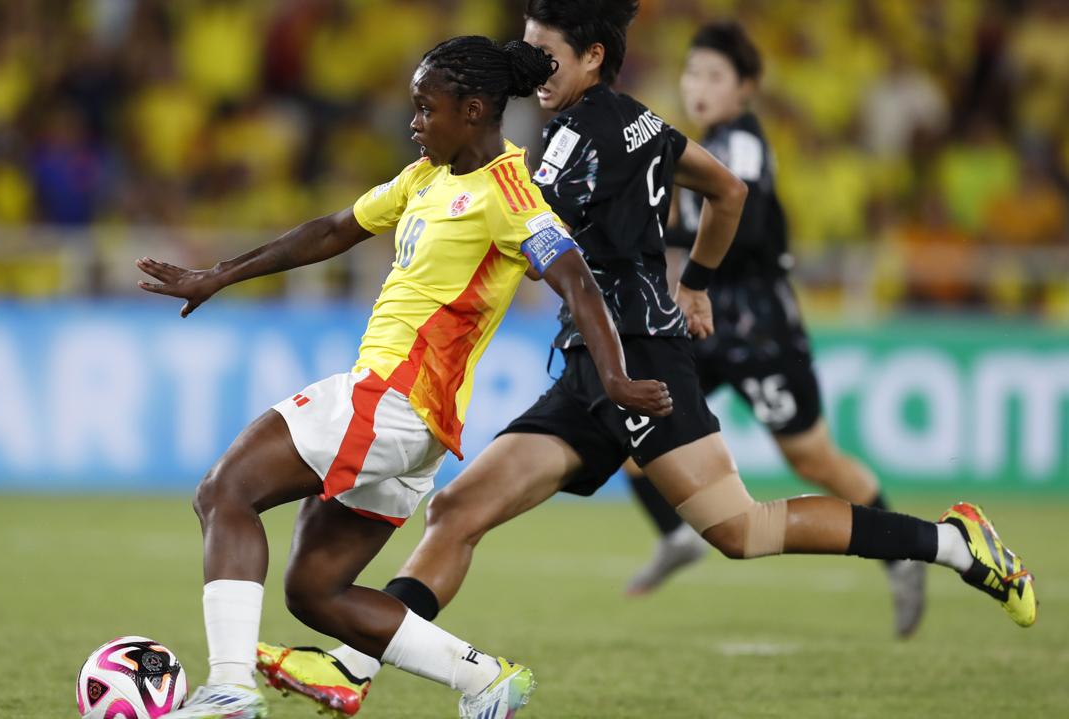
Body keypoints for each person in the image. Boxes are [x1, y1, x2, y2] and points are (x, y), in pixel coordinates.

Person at [259, 2, 1036, 716]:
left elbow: (523, 224)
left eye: (543, 56)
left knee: (740, 529)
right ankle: (353, 666)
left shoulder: (570, 143)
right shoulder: (637, 121)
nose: (531, 70)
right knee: (461, 509)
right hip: (593, 363)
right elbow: (725, 190)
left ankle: (953, 544)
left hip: (640, 361)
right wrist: (695, 282)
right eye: (522, 55)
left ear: (592, 56)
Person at [142, 35, 672, 719]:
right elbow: (333, 229)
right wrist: (222, 274)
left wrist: (618, 377)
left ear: (475, 109)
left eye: (426, 108)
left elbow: (575, 280)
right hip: (412, 424)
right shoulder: (427, 175)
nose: (414, 122)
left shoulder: (510, 193)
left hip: (390, 397)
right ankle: (484, 678)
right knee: (316, 591)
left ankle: (231, 688)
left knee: (225, 490)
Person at [621, 21, 927, 641]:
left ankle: (900, 555)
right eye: (692, 72)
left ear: (746, 88)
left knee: (811, 458)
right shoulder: (704, 143)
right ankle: (679, 536)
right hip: (703, 321)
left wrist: (661, 237)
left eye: (714, 76)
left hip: (760, 329)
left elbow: (748, 222)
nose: (698, 86)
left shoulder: (742, 144)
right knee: (632, 425)